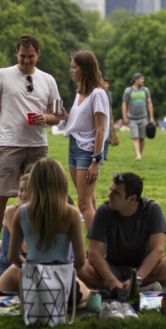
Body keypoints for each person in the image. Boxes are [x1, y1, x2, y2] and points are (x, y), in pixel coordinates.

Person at [0, 34, 61, 242]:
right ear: (16, 53)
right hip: (9, 144)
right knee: (2, 195)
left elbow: (59, 116)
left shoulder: (48, 80)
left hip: (38, 146)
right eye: (22, 56)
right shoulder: (2, 75)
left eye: (31, 56)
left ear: (38, 54)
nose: (26, 61)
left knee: (37, 196)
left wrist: (46, 117)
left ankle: (31, 241)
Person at [78, 172, 166, 295]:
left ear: (132, 199)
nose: (109, 195)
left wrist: (137, 279)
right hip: (110, 268)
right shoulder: (104, 211)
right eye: (111, 190)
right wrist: (111, 280)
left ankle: (128, 287)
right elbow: (94, 253)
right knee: (78, 266)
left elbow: (158, 251)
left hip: (144, 269)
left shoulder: (152, 210)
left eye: (116, 193)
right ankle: (127, 287)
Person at [0, 159, 89, 306]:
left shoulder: (21, 212)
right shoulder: (71, 214)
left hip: (32, 286)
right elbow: (81, 260)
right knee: (88, 295)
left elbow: (13, 257)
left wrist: (32, 271)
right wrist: (65, 272)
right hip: (62, 282)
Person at [58, 51, 108, 232]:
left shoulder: (98, 94)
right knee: (89, 200)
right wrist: (65, 116)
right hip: (73, 147)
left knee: (84, 203)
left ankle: (96, 249)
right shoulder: (80, 93)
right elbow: (81, 123)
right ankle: (101, 245)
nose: (71, 71)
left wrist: (96, 160)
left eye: (74, 67)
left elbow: (100, 129)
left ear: (85, 69)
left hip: (87, 151)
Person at [0, 172, 30, 292]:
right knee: (18, 269)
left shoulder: (42, 214)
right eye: (21, 190)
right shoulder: (12, 212)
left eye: (28, 190)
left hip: (35, 268)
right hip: (10, 270)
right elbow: (26, 247)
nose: (23, 195)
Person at [122, 73, 155, 160]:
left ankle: (139, 153)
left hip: (143, 117)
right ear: (136, 80)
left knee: (142, 138)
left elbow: (149, 103)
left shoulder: (146, 90)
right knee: (135, 137)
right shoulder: (128, 91)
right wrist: (125, 117)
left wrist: (151, 117)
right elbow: (124, 104)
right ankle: (138, 155)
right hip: (132, 118)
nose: (143, 80)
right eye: (141, 79)